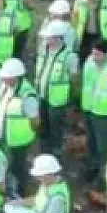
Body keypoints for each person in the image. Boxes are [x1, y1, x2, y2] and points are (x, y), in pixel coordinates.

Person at [80, 38, 107, 195]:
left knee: (103, 148)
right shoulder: (89, 63)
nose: (94, 56)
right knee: (91, 143)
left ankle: (102, 179)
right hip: (89, 109)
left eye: (98, 54)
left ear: (106, 54)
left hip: (105, 114)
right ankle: (91, 169)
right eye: (93, 53)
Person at [0, 59, 40, 197]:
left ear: (15, 77)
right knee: (7, 166)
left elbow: (35, 121)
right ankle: (9, 191)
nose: (3, 79)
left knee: (18, 168)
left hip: (18, 141)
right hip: (5, 136)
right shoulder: (6, 87)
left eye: (6, 77)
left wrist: (26, 134)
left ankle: (20, 193)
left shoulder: (27, 95)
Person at [34, 21, 79, 161]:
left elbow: (74, 79)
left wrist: (71, 98)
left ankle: (55, 154)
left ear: (58, 38)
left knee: (56, 129)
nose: (46, 40)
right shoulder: (43, 52)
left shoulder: (69, 57)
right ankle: (44, 152)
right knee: (43, 126)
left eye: (49, 38)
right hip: (41, 96)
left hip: (57, 100)